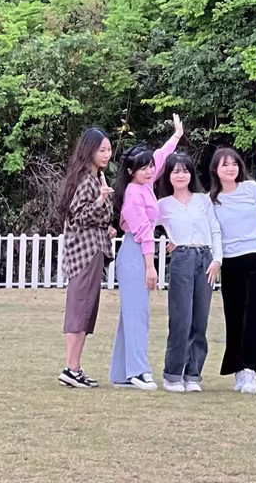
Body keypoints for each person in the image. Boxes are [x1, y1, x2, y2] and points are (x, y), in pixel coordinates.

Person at [109, 113, 184, 390]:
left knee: (130, 314)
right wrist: (150, 267)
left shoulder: (146, 186)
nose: (150, 171)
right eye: (143, 168)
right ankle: (139, 371)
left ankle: (121, 372)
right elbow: (143, 232)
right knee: (137, 314)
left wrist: (176, 136)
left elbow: (161, 157)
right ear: (131, 171)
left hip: (138, 252)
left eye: (150, 167)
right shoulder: (133, 193)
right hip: (135, 253)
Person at [209, 146, 256, 394]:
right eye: (225, 165)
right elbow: (205, 228)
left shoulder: (252, 189)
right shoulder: (212, 199)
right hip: (231, 261)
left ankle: (250, 370)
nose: (231, 168)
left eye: (234, 163)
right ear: (215, 170)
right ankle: (238, 369)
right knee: (234, 316)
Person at [155, 151, 222, 393]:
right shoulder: (163, 205)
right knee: (181, 319)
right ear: (168, 176)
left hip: (205, 259)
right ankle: (173, 374)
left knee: (200, 320)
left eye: (185, 170)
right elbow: (143, 225)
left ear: (191, 173)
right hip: (182, 259)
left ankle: (193, 374)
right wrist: (164, 242)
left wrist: (217, 259)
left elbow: (215, 229)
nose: (180, 175)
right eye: (175, 171)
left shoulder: (203, 200)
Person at [57, 126, 114, 389]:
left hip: (93, 249)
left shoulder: (96, 177)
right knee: (80, 309)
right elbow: (79, 216)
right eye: (102, 150)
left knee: (86, 311)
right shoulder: (86, 179)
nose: (107, 154)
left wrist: (107, 226)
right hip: (84, 253)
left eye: (109, 150)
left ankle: (75, 368)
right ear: (89, 150)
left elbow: (92, 218)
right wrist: (101, 201)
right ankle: (71, 368)